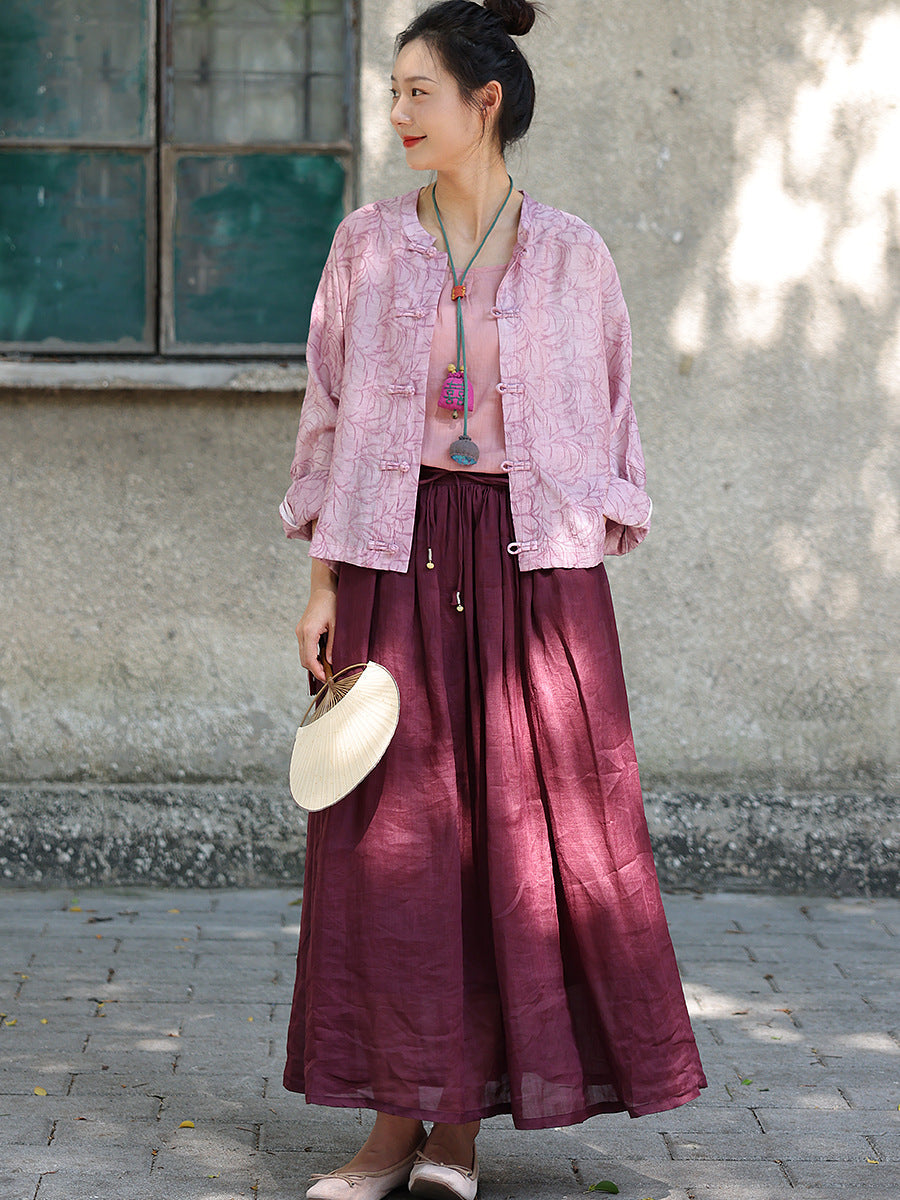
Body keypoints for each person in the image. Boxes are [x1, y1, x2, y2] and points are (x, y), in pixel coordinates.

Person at [280, 2, 707, 1197]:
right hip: (393, 554)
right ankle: (390, 1130)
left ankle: (458, 1132)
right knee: (393, 851)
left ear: (488, 102)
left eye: (418, 92)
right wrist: (320, 581)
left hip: (531, 574)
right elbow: (326, 410)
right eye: (393, 92)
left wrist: (575, 559)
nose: (398, 114)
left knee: (516, 842)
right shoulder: (367, 245)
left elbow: (611, 413)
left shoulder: (575, 255)